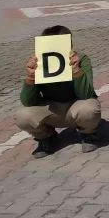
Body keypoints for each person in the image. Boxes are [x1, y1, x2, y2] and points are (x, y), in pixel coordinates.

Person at [16, 25, 102, 158]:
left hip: (76, 105)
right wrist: (31, 77)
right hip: (52, 109)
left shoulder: (82, 59)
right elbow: (28, 101)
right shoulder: (40, 63)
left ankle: (88, 134)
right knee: (22, 116)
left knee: (89, 109)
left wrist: (76, 70)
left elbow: (86, 94)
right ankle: (47, 137)